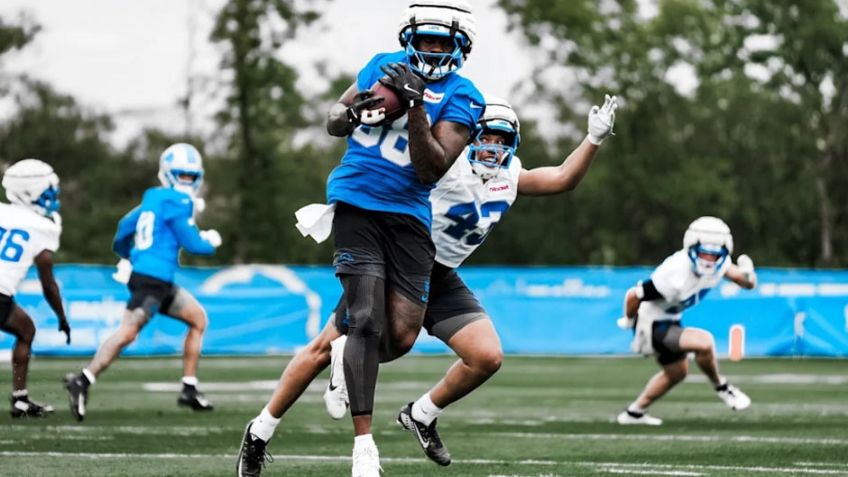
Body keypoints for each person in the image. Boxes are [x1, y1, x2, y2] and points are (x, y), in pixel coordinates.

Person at [235, 93, 617, 475]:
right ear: (469, 136)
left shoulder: (510, 175)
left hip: (441, 275)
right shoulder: (445, 165)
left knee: (486, 356)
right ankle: (260, 431)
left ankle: (420, 414)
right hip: (398, 263)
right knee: (322, 349)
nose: (492, 147)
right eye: (486, 137)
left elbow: (563, 178)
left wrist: (594, 138)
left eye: (501, 140)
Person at [238, 2, 484, 476]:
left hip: (409, 219)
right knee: (366, 318)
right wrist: (354, 113)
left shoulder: (464, 96)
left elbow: (431, 167)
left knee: (401, 336)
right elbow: (333, 120)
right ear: (410, 39)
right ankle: (363, 449)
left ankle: (328, 368)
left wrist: (415, 105)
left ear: (459, 47)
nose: (432, 48)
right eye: (426, 40)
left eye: (442, 42)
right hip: (356, 203)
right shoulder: (380, 65)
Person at [64, 143, 221, 421]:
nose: (186, 180)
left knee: (198, 319)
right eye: (183, 175)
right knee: (128, 333)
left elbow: (124, 228)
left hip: (154, 279)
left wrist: (129, 256)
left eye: (190, 176)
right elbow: (195, 245)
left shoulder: (154, 198)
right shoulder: (179, 202)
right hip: (153, 281)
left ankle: (189, 388)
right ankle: (83, 379)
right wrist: (210, 240)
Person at [614, 216, 757, 426]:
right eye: (704, 253)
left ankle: (634, 413)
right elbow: (633, 296)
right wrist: (629, 322)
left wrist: (749, 274)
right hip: (650, 323)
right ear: (691, 247)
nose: (708, 260)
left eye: (714, 255)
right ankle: (723, 388)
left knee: (677, 372)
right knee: (704, 342)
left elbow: (744, 282)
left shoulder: (721, 264)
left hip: (670, 320)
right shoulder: (675, 273)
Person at [0, 159, 71, 418]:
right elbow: (48, 283)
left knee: (25, 328)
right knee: (26, 330)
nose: (52, 197)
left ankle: (20, 399)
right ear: (30, 192)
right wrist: (61, 316)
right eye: (47, 191)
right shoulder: (42, 227)